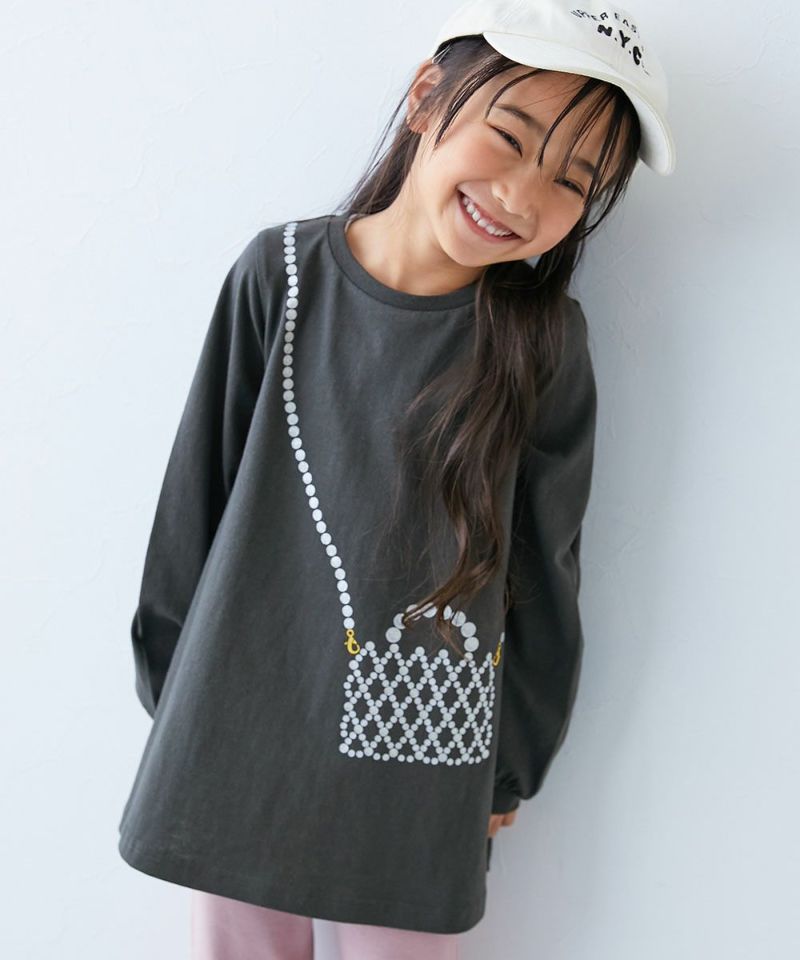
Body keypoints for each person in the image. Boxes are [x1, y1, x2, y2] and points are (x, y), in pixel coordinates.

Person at [117, 0, 676, 957]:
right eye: (510, 136)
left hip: (424, 755)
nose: (521, 194)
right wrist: (175, 694)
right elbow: (194, 501)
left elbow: (545, 568)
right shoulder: (281, 276)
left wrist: (511, 764)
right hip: (232, 727)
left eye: (572, 180)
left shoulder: (542, 344)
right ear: (425, 97)